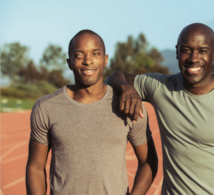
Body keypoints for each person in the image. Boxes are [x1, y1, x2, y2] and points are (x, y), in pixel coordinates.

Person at [106, 23, 214, 195]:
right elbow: (115, 76)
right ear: (177, 52)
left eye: (202, 51)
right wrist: (126, 88)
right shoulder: (160, 87)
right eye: (186, 50)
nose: (193, 58)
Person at [26, 30, 158, 195]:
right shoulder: (47, 107)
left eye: (95, 54)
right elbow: (36, 167)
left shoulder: (128, 104)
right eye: (79, 55)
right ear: (69, 62)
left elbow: (148, 161)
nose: (88, 61)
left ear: (105, 60)